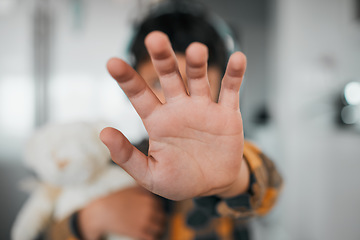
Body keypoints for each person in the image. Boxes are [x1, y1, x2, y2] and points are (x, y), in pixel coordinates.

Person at [40, 1, 282, 240]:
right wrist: (91, 219)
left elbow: (268, 187)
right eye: (158, 82)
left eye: (197, 81)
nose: (179, 96)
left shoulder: (237, 155)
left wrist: (233, 179)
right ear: (135, 90)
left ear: (220, 83)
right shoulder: (113, 163)